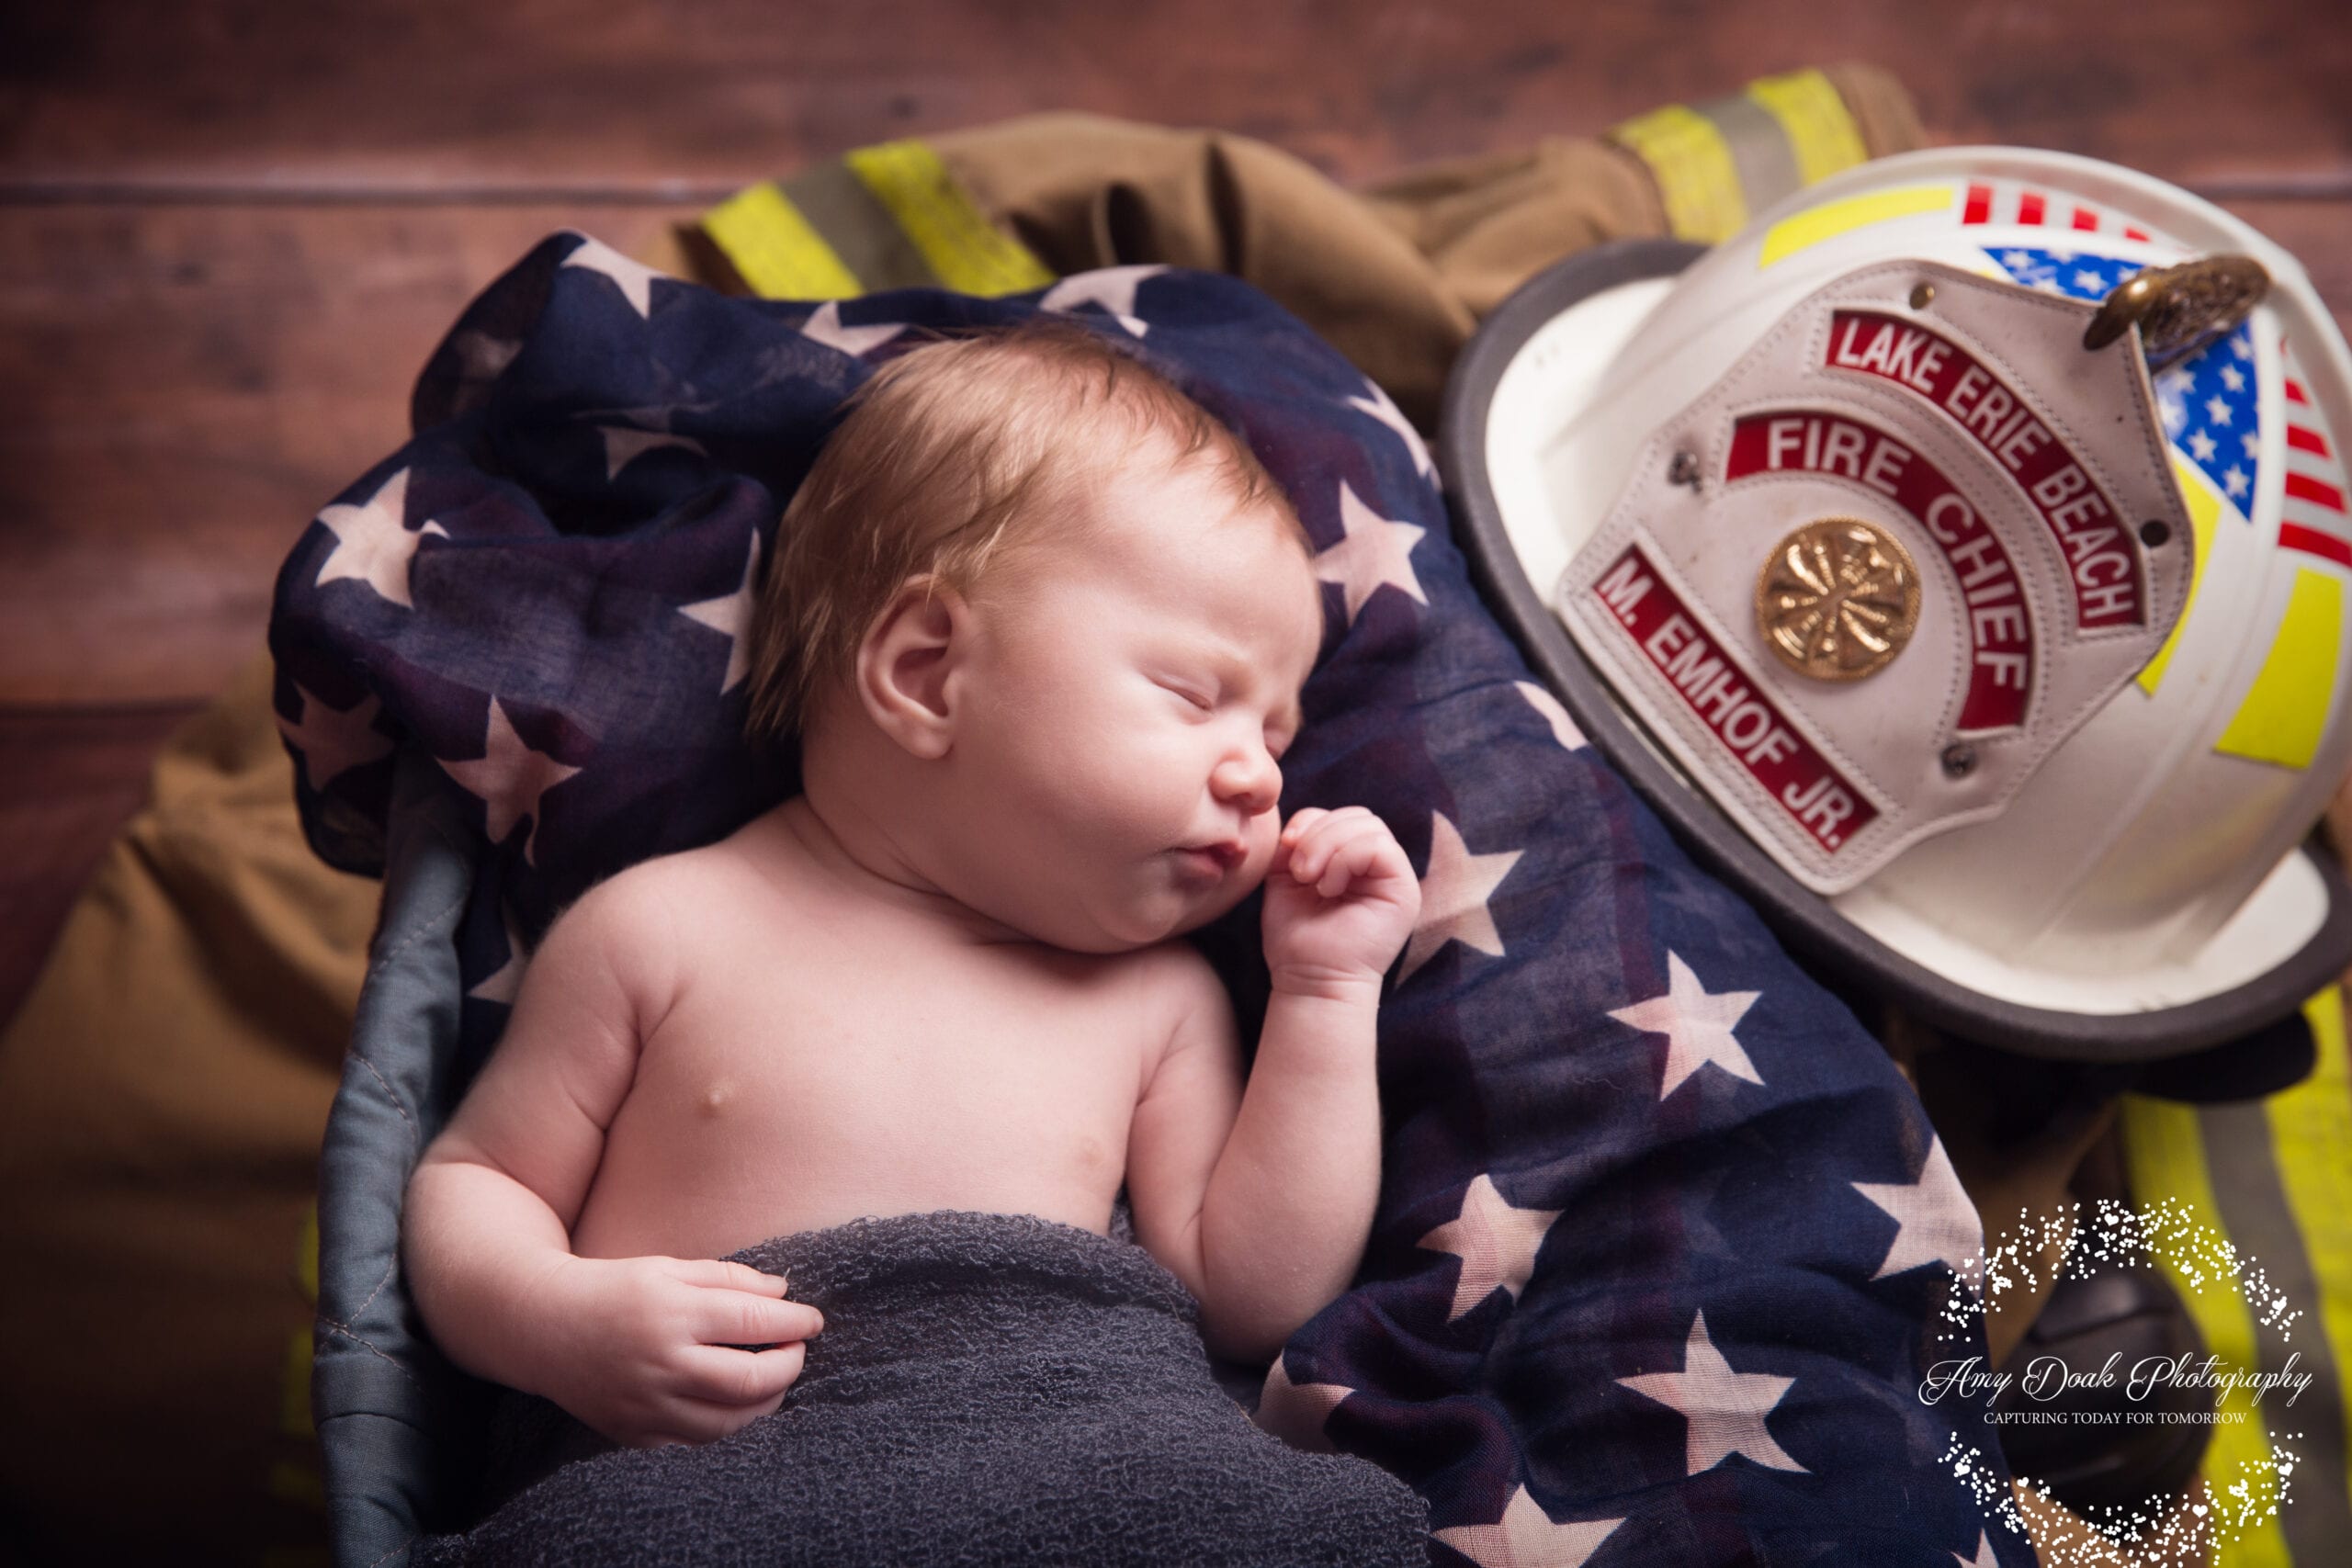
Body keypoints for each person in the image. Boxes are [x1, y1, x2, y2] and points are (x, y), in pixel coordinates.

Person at [399, 320, 1422, 1471]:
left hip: (1062, 1473)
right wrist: (557, 1322)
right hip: (714, 1493)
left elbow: (1253, 1298)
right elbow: (476, 1183)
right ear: (927, 672)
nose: (1263, 779)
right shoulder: (662, 929)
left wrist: (1326, 992)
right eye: (1194, 695)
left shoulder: (1159, 1001)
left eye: (1277, 736)